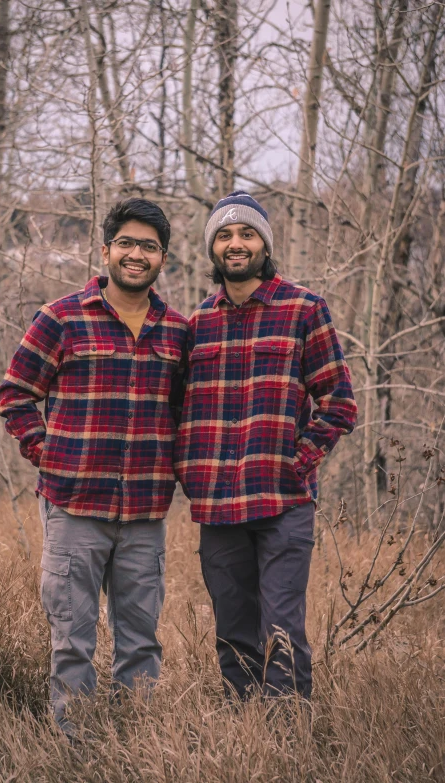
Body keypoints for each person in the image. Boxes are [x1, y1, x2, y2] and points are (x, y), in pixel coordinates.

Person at [0, 198, 187, 733]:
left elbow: (183, 413)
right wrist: (50, 457)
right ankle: (73, 746)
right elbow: (14, 395)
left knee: (141, 640)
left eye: (148, 246)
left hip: (145, 514)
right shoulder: (61, 318)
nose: (136, 254)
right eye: (126, 243)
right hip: (74, 507)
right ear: (105, 250)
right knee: (73, 637)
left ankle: (136, 746)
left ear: (162, 259)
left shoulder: (176, 331)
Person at [174, 191, 357, 701]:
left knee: (281, 629)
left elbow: (339, 403)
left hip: (282, 502)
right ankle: (243, 735)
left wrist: (296, 463)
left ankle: (287, 739)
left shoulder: (303, 309)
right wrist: (191, 470)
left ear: (264, 244)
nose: (236, 244)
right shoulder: (196, 325)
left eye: (247, 233)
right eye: (225, 235)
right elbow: (178, 409)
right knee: (232, 632)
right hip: (217, 505)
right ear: (213, 247)